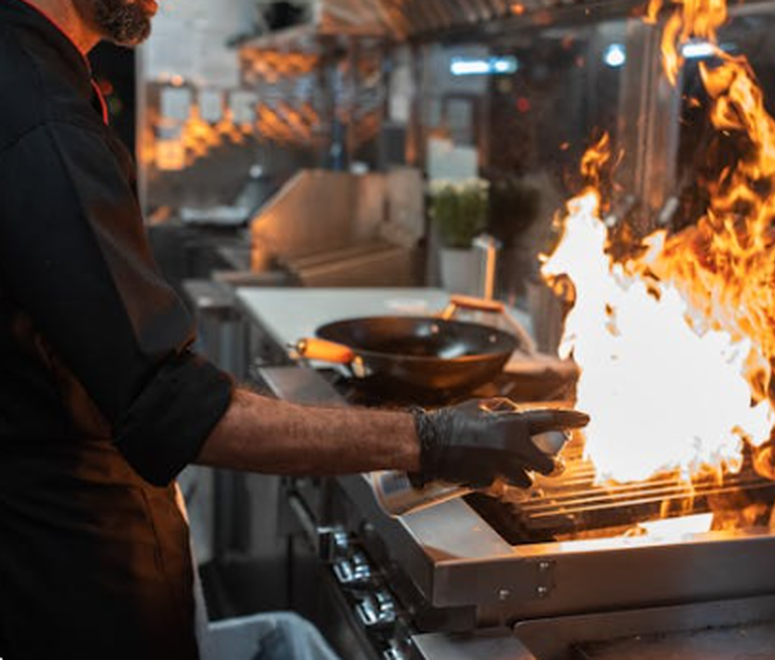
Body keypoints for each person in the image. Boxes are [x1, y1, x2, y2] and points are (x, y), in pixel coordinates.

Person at [0, 1, 590, 658]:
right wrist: (431, 438)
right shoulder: (42, 119)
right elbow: (168, 406)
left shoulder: (36, 82)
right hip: (69, 577)